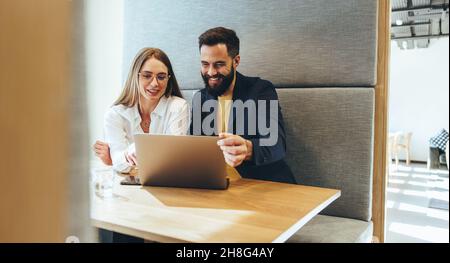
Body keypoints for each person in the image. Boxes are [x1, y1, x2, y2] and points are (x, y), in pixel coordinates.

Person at [190, 27, 295, 184]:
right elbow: (194, 149)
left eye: (219, 64)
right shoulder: (200, 98)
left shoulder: (260, 90)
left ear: (236, 61)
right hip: (219, 187)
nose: (211, 72)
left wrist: (248, 148)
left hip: (264, 184)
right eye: (205, 64)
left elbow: (277, 145)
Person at [93, 47, 189, 173]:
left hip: (165, 185)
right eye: (147, 75)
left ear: (168, 79)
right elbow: (118, 163)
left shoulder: (178, 107)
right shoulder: (114, 114)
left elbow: (174, 159)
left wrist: (137, 151)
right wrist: (124, 156)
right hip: (129, 185)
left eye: (161, 77)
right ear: (135, 76)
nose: (154, 83)